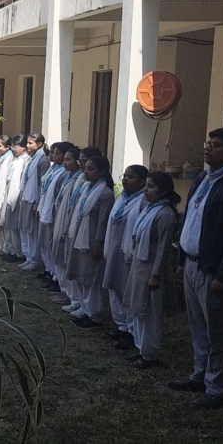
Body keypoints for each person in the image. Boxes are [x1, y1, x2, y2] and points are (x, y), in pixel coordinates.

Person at [169, 128, 223, 412]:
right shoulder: (203, 178)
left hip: (213, 268)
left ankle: (218, 388)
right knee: (198, 325)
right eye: (208, 143)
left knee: (218, 330)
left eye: (216, 145)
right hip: (192, 262)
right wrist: (181, 258)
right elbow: (191, 219)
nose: (208, 148)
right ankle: (200, 375)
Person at [124, 171, 181, 370]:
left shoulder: (165, 214)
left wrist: (155, 274)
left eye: (151, 187)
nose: (145, 190)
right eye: (146, 186)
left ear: (163, 191)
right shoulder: (150, 209)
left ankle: (150, 354)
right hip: (140, 265)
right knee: (138, 309)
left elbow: (163, 248)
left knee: (150, 313)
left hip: (151, 270)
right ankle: (141, 348)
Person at [100, 164, 148, 350]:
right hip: (114, 248)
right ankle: (121, 325)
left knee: (127, 290)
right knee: (114, 287)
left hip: (129, 253)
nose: (125, 179)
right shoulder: (122, 198)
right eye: (124, 176)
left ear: (142, 182)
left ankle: (131, 331)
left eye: (131, 177)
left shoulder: (143, 202)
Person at [67, 155, 115, 330]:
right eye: (86, 168)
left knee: (91, 278)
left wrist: (98, 243)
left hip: (91, 240)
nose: (86, 172)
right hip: (81, 237)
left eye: (90, 169)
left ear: (101, 172)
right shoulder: (88, 188)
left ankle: (95, 315)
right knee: (81, 275)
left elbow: (102, 221)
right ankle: (85, 310)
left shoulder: (105, 193)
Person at [36, 142, 73, 289]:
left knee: (52, 245)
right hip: (46, 209)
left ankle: (56, 277)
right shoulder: (54, 169)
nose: (52, 156)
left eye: (57, 153)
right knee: (46, 242)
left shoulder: (64, 173)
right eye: (52, 153)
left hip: (54, 213)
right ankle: (50, 271)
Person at [49, 147, 84, 309]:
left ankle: (73, 297)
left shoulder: (80, 180)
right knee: (60, 257)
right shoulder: (70, 177)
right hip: (62, 219)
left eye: (68, 159)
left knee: (66, 261)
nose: (64, 162)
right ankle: (65, 291)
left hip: (69, 223)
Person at [18, 133, 50, 271]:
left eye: (30, 143)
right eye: (27, 142)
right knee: (25, 228)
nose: (27, 145)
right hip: (26, 197)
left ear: (40, 144)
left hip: (34, 199)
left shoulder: (43, 160)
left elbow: (42, 184)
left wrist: (38, 203)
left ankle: (34, 258)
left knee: (32, 230)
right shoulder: (31, 158)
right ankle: (28, 256)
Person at [1, 135, 28, 262]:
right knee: (9, 225)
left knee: (15, 227)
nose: (13, 149)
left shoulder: (25, 160)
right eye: (12, 146)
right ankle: (11, 250)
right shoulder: (15, 159)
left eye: (16, 146)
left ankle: (19, 253)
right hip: (9, 194)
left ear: (23, 147)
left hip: (17, 196)